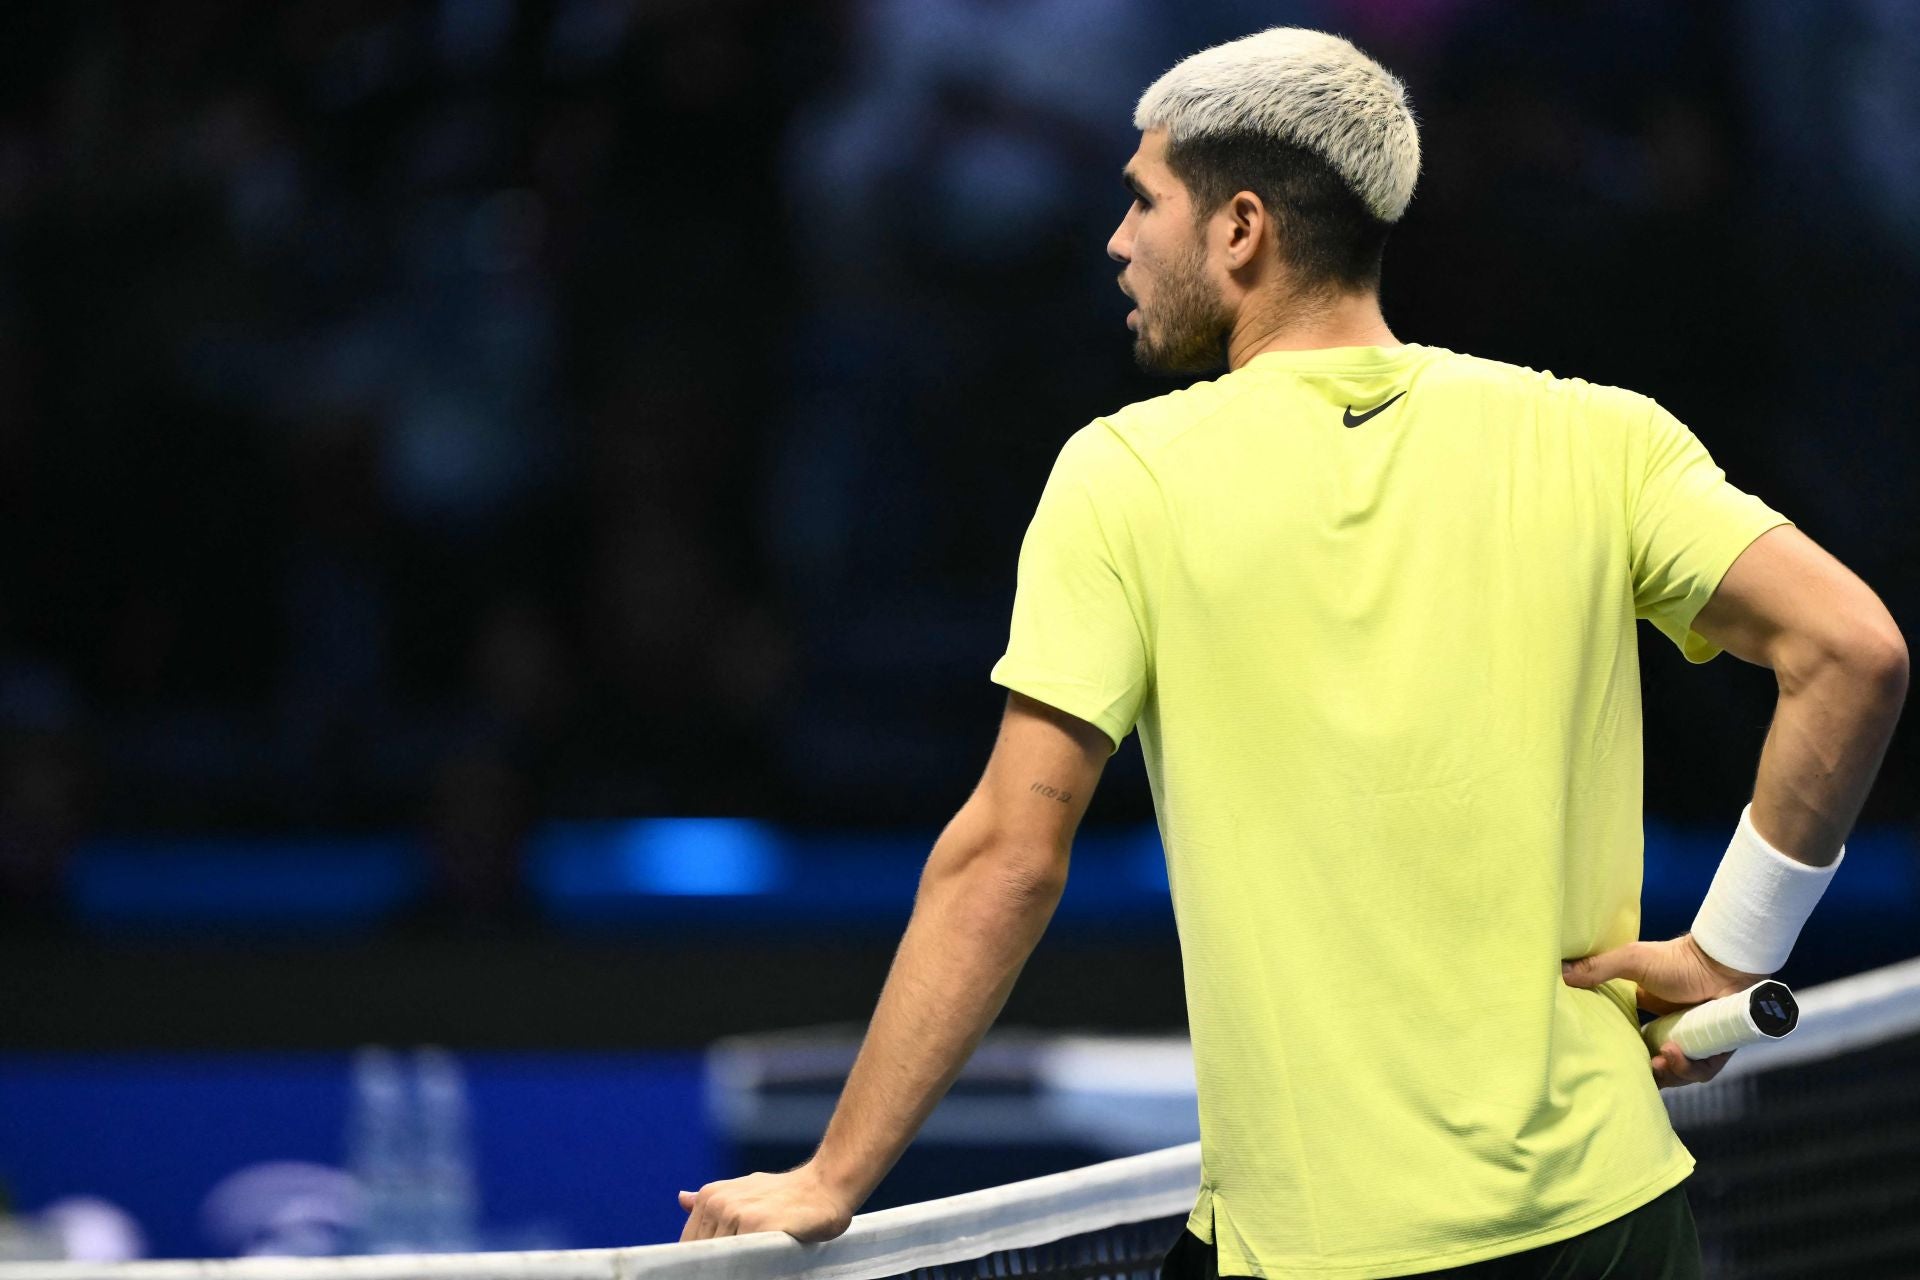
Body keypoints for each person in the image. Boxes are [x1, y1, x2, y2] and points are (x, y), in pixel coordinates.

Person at [676, 27, 1908, 1278]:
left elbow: (1007, 851)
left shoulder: (1125, 478)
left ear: (1241, 228)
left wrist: (833, 1173)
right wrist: (1733, 948)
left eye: (1144, 199)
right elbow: (1855, 649)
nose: (1116, 240)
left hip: (1327, 1250)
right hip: (1610, 1218)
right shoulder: (1597, 437)